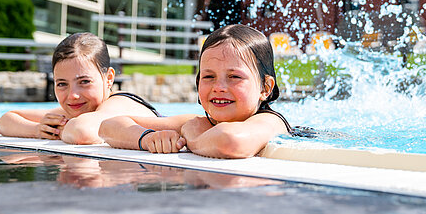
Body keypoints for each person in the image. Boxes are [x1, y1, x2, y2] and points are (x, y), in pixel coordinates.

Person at [99, 24, 291, 159]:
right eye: (209, 77)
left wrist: (192, 140)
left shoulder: (269, 121)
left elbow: (231, 141)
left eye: (234, 77)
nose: (218, 87)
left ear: (265, 88)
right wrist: (148, 139)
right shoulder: (199, 123)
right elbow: (108, 126)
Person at [0, 32, 158, 143]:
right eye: (62, 84)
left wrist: (58, 130)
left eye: (84, 82)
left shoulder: (119, 104)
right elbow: (5, 121)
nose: (72, 95)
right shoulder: (83, 109)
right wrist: (38, 130)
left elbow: (81, 131)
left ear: (108, 79)